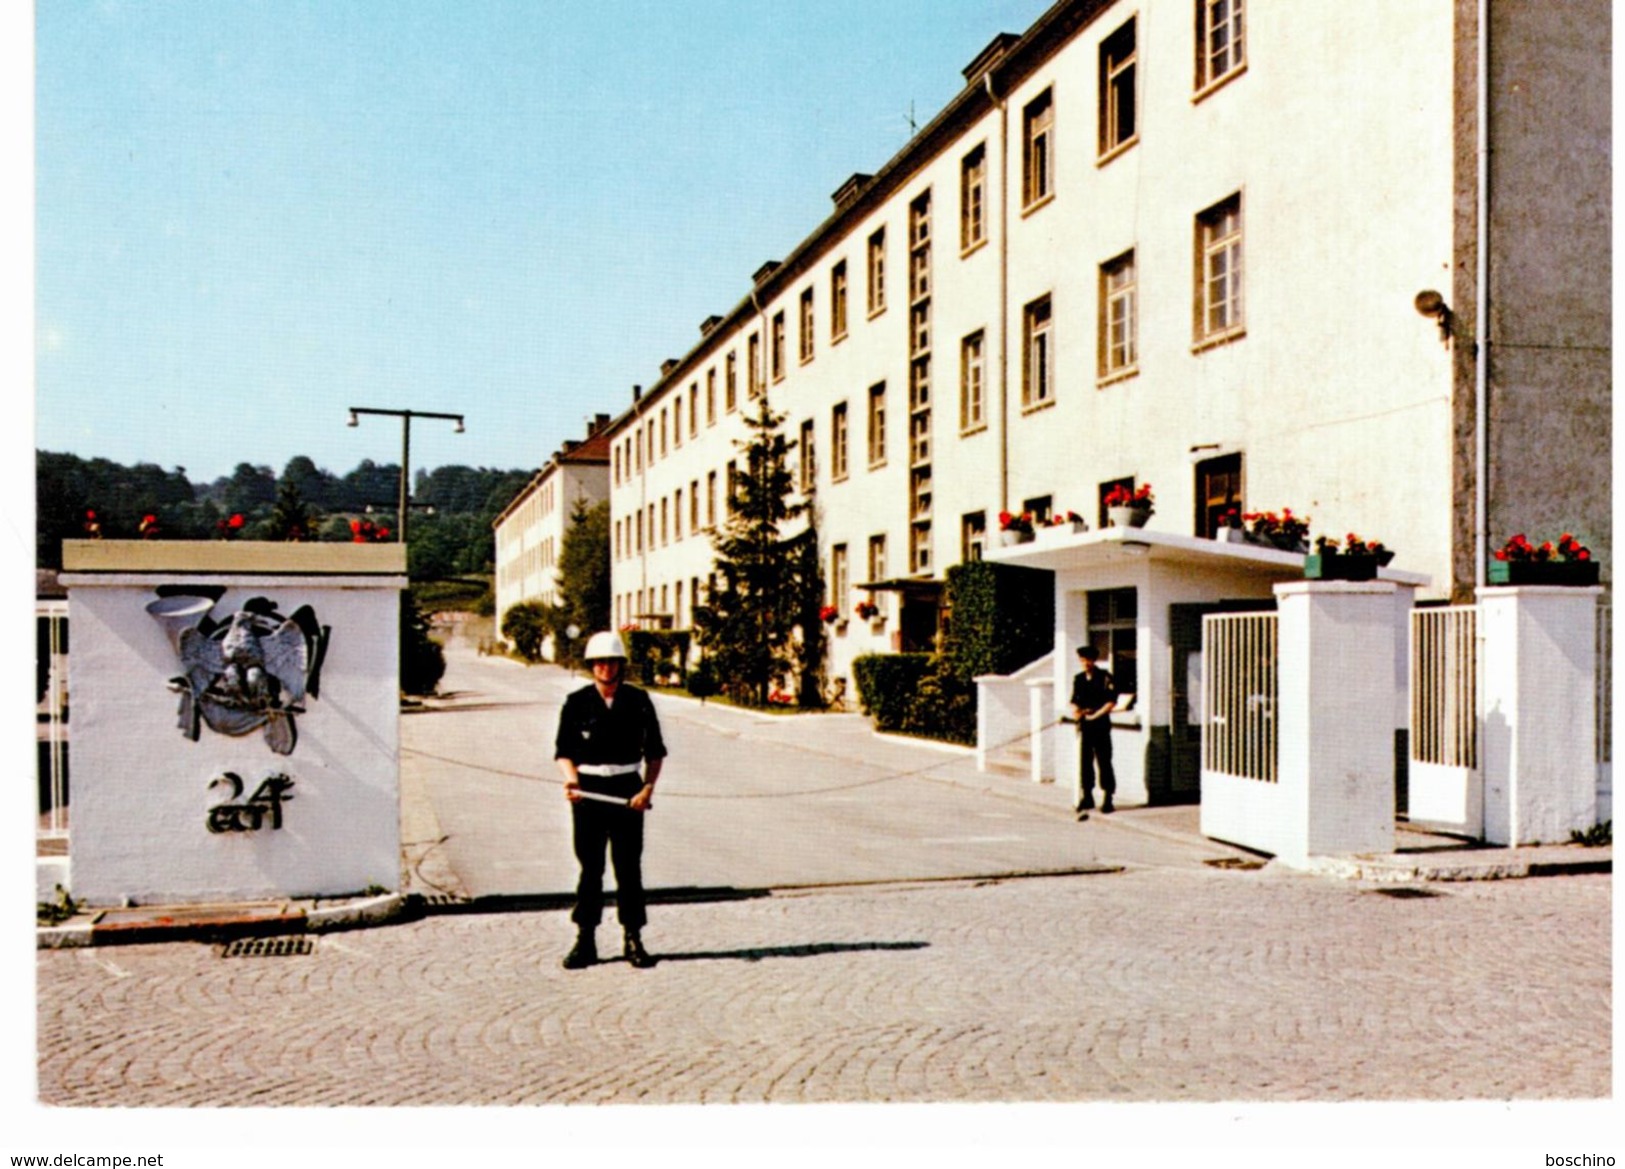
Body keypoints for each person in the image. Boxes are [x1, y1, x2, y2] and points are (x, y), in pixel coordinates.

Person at [554, 631, 667, 969]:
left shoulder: (639, 701)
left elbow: (656, 753)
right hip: (589, 792)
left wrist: (646, 790)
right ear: (592, 666)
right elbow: (563, 753)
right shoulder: (576, 703)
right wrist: (572, 782)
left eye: (611, 661)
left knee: (628, 868)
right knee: (591, 868)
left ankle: (633, 938)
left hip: (627, 791)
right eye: (599, 662)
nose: (606, 667)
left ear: (621, 665)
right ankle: (585, 940)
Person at [1069, 644, 1118, 818]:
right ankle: (1087, 796)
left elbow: (1111, 702)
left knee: (1104, 760)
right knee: (1085, 761)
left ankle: (1108, 797)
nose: (1085, 663)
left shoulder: (1105, 677)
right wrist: (1076, 711)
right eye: (1082, 660)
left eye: (1088, 659)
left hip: (1101, 724)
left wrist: (1095, 715)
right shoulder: (1079, 679)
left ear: (1094, 660)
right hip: (1085, 725)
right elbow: (1074, 700)